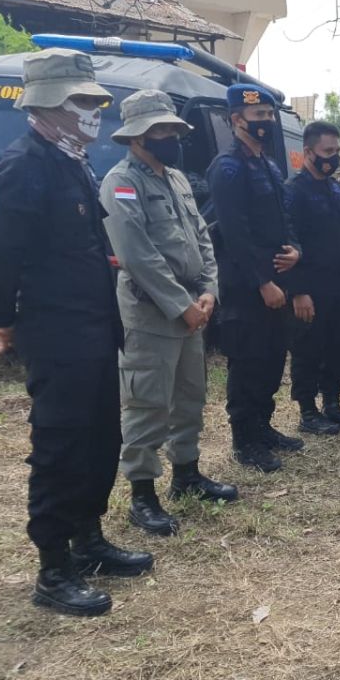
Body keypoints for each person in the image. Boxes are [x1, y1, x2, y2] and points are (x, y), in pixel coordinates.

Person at [0, 48, 152, 617]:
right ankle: (53, 568)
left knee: (102, 436)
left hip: (96, 328)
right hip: (56, 331)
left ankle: (89, 540)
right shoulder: (25, 162)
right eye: (83, 100)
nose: (94, 111)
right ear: (50, 103)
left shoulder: (72, 158)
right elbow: (1, 255)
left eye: (96, 100)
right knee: (60, 443)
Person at [100, 90, 239, 538]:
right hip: (151, 314)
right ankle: (143, 495)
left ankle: (187, 475)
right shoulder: (122, 183)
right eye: (162, 131)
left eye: (174, 130)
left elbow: (202, 240)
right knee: (147, 405)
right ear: (139, 136)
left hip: (192, 312)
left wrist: (208, 293)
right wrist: (181, 306)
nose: (171, 138)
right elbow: (137, 254)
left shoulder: (177, 179)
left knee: (189, 398)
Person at [207, 84, 304, 472]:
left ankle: (263, 427)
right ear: (236, 120)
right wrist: (262, 282)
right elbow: (235, 235)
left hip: (278, 282)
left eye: (269, 115)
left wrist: (296, 250)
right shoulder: (227, 168)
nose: (266, 122)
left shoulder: (269, 164)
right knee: (247, 362)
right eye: (258, 116)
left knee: (271, 358)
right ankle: (244, 440)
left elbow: (285, 219)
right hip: (248, 287)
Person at [284, 121, 340, 434]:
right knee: (309, 348)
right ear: (308, 152)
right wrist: (297, 291)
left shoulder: (337, 190)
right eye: (327, 151)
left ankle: (332, 404)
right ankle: (308, 412)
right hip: (309, 287)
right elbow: (286, 241)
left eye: (337, 151)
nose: (333, 157)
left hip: (338, 284)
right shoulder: (294, 191)